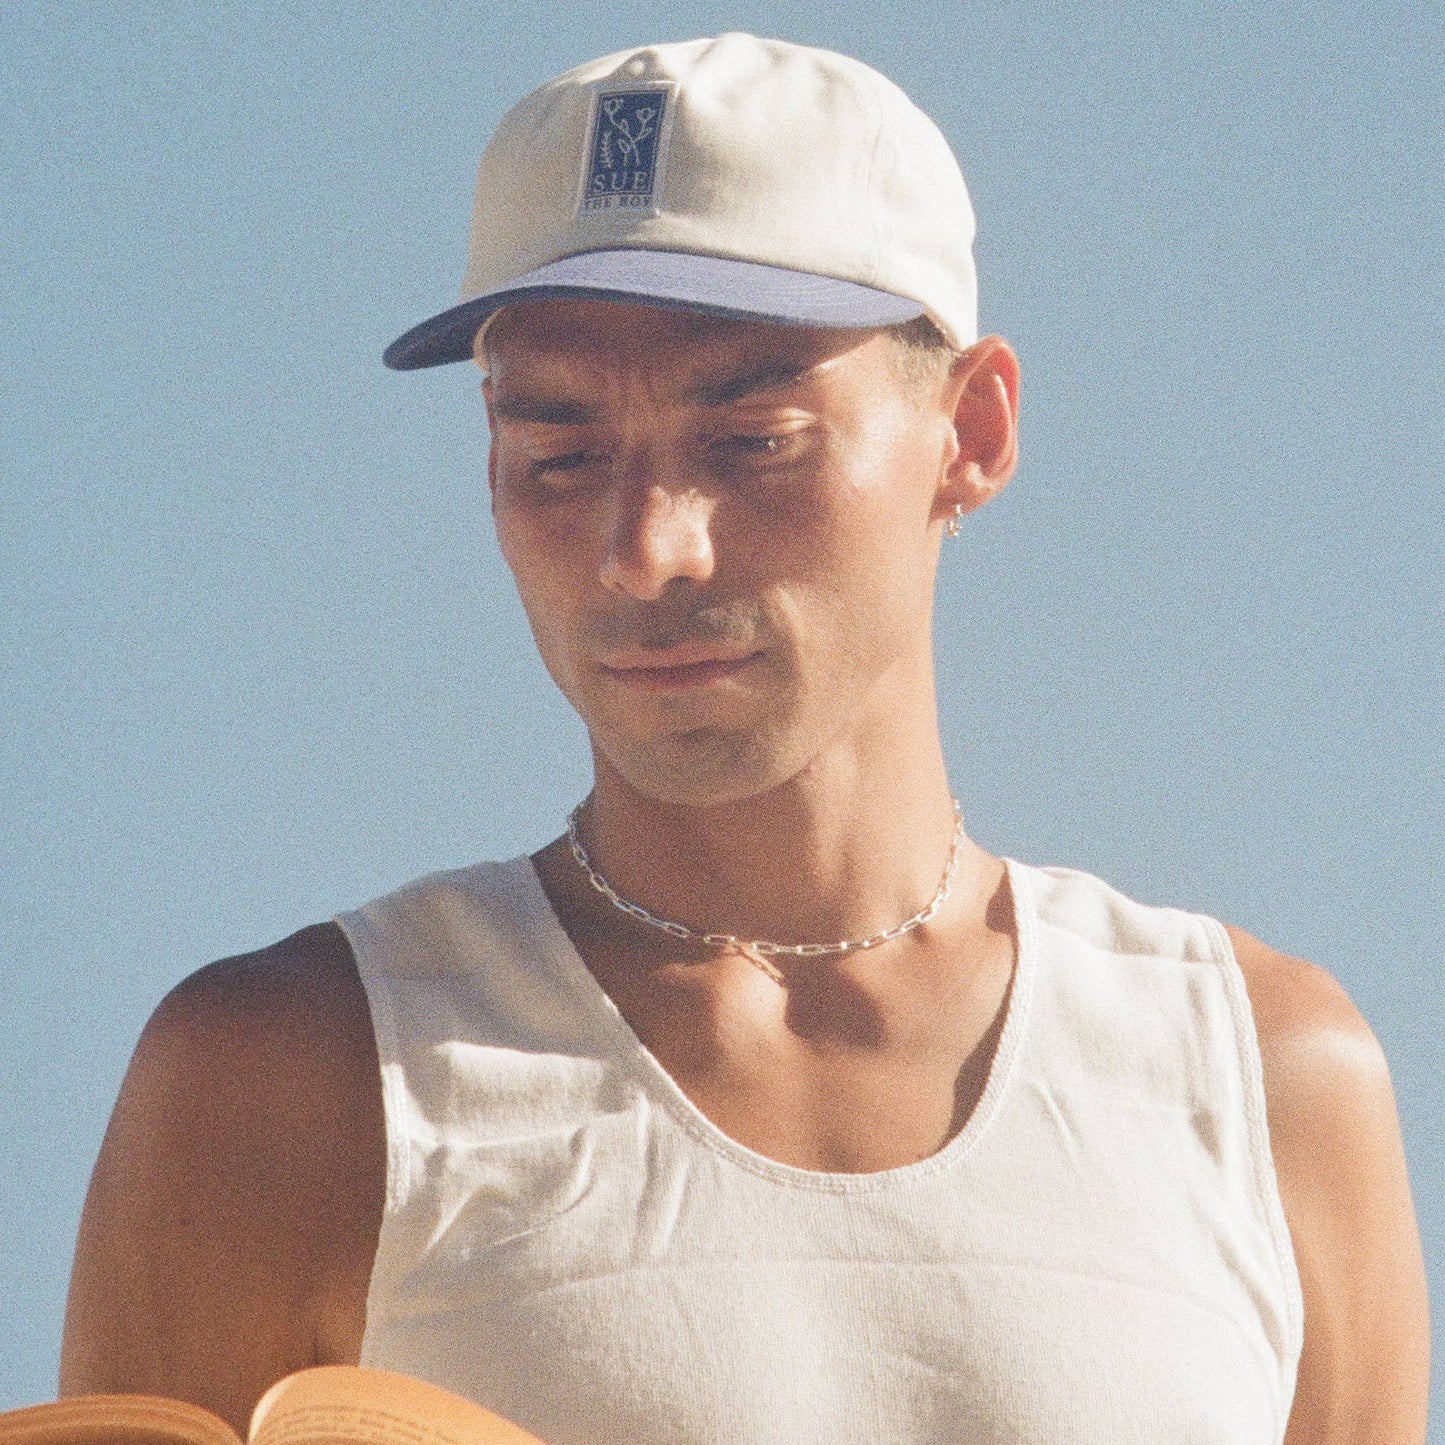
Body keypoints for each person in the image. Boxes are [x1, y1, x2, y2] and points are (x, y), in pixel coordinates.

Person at [59, 33, 1427, 1445]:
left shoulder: (1264, 1084)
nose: (644, 550)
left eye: (751, 439)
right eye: (559, 454)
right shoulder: (294, 1083)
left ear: (971, 429)